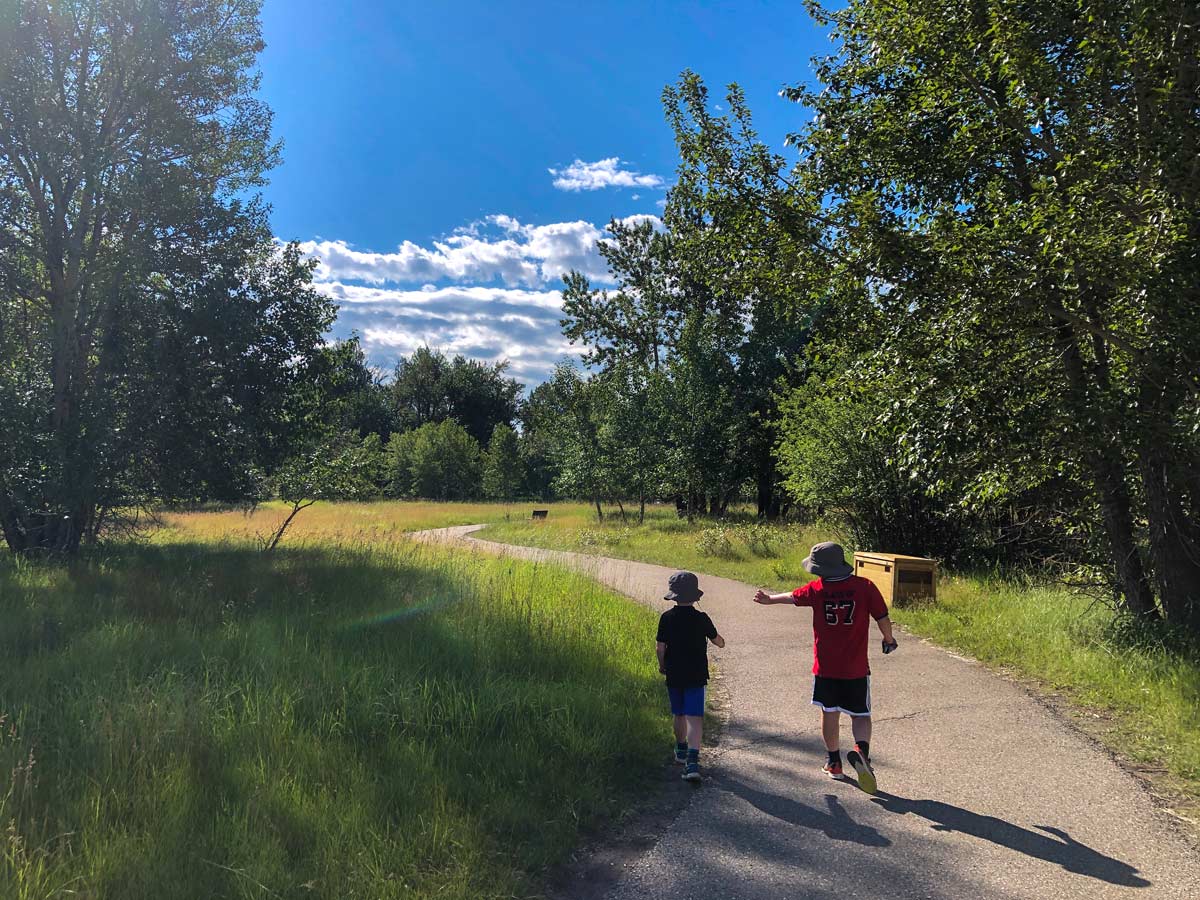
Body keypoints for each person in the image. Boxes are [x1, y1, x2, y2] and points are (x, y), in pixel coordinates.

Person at [753, 542, 898, 794]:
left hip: (826, 668)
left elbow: (792, 596)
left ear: (820, 569)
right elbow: (882, 617)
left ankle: (834, 763)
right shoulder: (864, 587)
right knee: (860, 714)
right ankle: (861, 751)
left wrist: (769, 600)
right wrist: (889, 640)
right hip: (856, 668)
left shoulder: (817, 589)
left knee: (829, 713)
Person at [656, 571, 725, 782]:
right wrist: (720, 641)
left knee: (679, 714)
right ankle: (693, 762)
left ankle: (681, 749)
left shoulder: (666, 618)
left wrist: (662, 666)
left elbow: (660, 647)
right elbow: (718, 641)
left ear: (673, 596)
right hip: (696, 673)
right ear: (696, 597)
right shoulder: (701, 618)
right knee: (695, 717)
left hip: (674, 671)